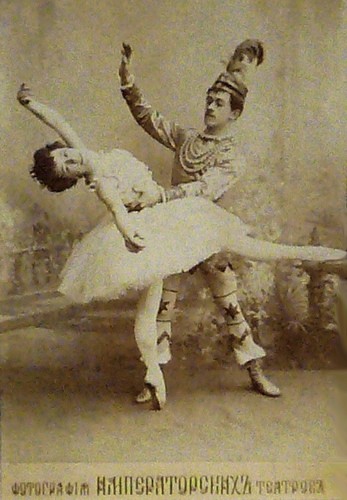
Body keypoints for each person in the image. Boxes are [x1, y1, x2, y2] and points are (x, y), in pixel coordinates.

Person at [17, 84, 347, 409]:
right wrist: (131, 234)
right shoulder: (99, 179)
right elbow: (119, 212)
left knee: (236, 288)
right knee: (157, 310)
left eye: (64, 154)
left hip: (184, 219)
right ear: (73, 177)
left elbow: (59, 122)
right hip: (155, 230)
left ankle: (257, 361)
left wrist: (31, 104)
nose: (71, 159)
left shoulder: (84, 151)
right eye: (68, 167)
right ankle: (153, 375)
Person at [118, 39, 346, 402]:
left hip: (207, 233)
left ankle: (254, 369)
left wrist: (161, 196)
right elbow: (149, 119)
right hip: (175, 231)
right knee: (162, 303)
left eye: (219, 103)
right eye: (209, 100)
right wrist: (128, 82)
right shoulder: (186, 139)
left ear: (234, 114)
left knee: (229, 304)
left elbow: (206, 190)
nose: (210, 106)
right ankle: (152, 377)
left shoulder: (233, 156)